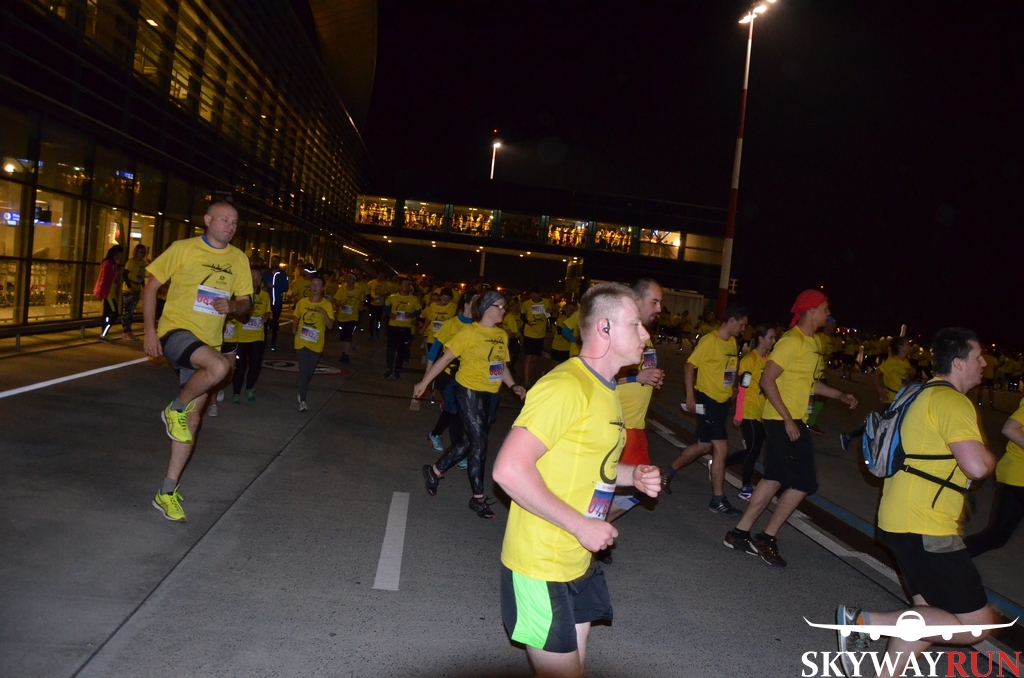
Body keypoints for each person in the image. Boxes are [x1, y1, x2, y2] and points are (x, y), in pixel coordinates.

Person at [492, 282, 661, 678]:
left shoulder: (607, 388)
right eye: (635, 324)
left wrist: (633, 475)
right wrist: (582, 526)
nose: (645, 334)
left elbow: (591, 465)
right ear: (604, 328)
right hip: (541, 564)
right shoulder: (566, 385)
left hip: (578, 561)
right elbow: (508, 469)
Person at [835, 328, 997, 678]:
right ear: (958, 363)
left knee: (927, 617)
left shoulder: (918, 392)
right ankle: (862, 623)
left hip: (899, 518)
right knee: (977, 625)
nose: (984, 363)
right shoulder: (952, 401)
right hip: (927, 527)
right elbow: (977, 466)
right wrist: (989, 458)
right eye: (978, 357)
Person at [723, 290, 857, 566]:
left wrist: (840, 395)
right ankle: (767, 537)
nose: (828, 314)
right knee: (804, 482)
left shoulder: (812, 343)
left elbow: (809, 384)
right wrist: (787, 419)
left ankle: (739, 533)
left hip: (787, 419)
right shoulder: (792, 341)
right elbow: (767, 380)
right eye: (825, 309)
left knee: (773, 477)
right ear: (811, 311)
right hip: (783, 420)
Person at [142, 201, 252, 523]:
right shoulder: (183, 248)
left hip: (209, 343)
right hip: (176, 332)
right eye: (224, 219)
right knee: (221, 368)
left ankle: (166, 492)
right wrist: (149, 330)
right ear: (207, 220)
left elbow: (246, 303)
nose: (230, 226)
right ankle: (174, 408)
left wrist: (233, 307)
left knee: (191, 423)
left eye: (234, 222)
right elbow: (151, 286)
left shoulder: (239, 259)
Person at [415, 292, 527, 519]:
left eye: (504, 307)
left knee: (469, 443)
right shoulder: (469, 333)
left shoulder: (501, 335)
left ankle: (434, 471)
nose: (504, 310)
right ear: (486, 308)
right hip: (468, 391)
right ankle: (477, 498)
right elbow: (446, 359)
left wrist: (513, 385)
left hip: (490, 394)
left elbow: (501, 366)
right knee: (479, 444)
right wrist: (425, 382)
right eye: (500, 306)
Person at [661, 303, 749, 516]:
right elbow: (689, 366)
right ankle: (717, 500)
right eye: (742, 325)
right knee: (721, 448)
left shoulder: (732, 342)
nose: (744, 329)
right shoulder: (710, 341)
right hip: (707, 400)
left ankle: (667, 471)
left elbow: (727, 370)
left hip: (722, 402)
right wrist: (690, 395)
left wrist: (732, 390)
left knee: (703, 446)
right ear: (731, 321)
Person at [606, 279, 665, 533]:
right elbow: (600, 375)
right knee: (633, 486)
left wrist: (651, 379)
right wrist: (636, 377)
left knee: (640, 488)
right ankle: (589, 530)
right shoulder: (620, 333)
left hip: (636, 426)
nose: (659, 308)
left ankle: (592, 528)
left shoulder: (645, 337)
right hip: (619, 425)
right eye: (655, 302)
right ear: (637, 301)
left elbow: (642, 372)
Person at [965, 397, 1024, 557]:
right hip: (1018, 476)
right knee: (996, 536)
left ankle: (945, 560)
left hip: (1013, 475)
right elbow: (1010, 428)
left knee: (996, 536)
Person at [840, 336, 915, 452]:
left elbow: (904, 381)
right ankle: (849, 436)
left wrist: (911, 375)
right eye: (907, 345)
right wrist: (880, 390)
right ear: (900, 347)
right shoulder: (892, 361)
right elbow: (875, 374)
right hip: (891, 399)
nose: (910, 347)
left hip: (900, 398)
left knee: (885, 425)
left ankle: (852, 437)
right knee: (879, 424)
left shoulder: (906, 362)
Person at [727, 325, 776, 500]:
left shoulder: (769, 361)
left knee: (752, 449)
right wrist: (738, 413)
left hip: (762, 413)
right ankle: (746, 487)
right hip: (749, 410)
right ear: (761, 339)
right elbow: (742, 388)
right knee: (754, 450)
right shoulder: (750, 360)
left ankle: (721, 463)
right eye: (770, 337)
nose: (773, 341)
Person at [293, 274, 335, 412]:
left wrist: (323, 313)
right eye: (313, 284)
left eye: (318, 285)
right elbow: (296, 316)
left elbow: (330, 325)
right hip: (301, 341)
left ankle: (302, 388)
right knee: (304, 370)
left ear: (322, 288)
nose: (315, 287)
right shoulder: (302, 302)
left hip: (316, 343)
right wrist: (294, 327)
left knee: (309, 372)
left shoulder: (327, 304)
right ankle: (303, 401)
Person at [231, 264, 271, 404]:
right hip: (241, 337)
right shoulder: (240, 295)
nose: (256, 280)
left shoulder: (265, 295)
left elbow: (267, 311)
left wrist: (266, 316)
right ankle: (236, 392)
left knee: (255, 365)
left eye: (259, 277)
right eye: (253, 277)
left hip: (257, 337)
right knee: (240, 367)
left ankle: (249, 388)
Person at [382, 277, 422, 379]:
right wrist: (389, 314)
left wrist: (411, 315)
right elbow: (385, 306)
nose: (407, 286)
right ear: (400, 286)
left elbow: (418, 311)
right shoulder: (393, 297)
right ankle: (389, 369)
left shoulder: (414, 299)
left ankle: (397, 369)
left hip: (406, 328)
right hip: (393, 326)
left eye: (408, 284)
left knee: (402, 350)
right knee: (390, 349)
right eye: (405, 284)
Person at [521, 287, 553, 387]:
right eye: (534, 296)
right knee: (528, 357)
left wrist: (549, 311)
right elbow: (522, 316)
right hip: (529, 334)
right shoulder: (526, 304)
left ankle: (530, 377)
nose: (536, 298)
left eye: (538, 296)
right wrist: (527, 322)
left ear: (541, 295)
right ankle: (526, 381)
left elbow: (549, 314)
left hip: (540, 334)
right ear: (531, 295)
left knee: (535, 358)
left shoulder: (546, 302)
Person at [332, 272, 363, 363]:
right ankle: (343, 353)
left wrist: (361, 306)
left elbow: (362, 301)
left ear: (354, 281)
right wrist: (341, 304)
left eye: (351, 279)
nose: (349, 280)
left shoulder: (358, 291)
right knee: (342, 335)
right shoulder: (341, 290)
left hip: (352, 317)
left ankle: (347, 354)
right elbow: (335, 301)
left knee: (348, 335)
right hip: (342, 317)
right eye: (348, 278)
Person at [95, 244, 124, 341]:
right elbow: (103, 279)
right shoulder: (109, 263)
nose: (121, 256)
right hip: (108, 294)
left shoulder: (112, 264)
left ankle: (104, 334)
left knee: (107, 314)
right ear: (117, 253)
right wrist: (101, 292)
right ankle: (104, 334)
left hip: (110, 293)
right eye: (120, 254)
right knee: (114, 313)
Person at [261, 255, 289, 351]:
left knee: (275, 321)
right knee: (264, 321)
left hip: (277, 302)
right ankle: (263, 340)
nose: (274, 263)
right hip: (266, 302)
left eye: (276, 261)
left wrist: (275, 286)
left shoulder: (283, 274)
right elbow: (261, 286)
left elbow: (285, 288)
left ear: (279, 262)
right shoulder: (266, 274)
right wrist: (265, 287)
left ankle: (273, 341)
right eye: (272, 261)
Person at [121, 244, 147, 340]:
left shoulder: (143, 263)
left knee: (131, 311)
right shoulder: (131, 262)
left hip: (136, 288)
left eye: (144, 252)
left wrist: (143, 287)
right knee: (127, 311)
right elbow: (124, 275)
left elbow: (141, 276)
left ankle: (128, 331)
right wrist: (130, 287)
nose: (142, 254)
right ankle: (125, 331)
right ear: (136, 252)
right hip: (129, 289)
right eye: (140, 252)